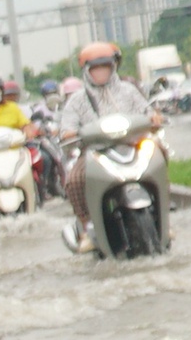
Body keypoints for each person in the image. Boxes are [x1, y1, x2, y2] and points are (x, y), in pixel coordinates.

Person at [53, 42, 163, 242]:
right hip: (94, 153)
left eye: (105, 67)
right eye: (96, 68)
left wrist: (154, 117)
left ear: (113, 67)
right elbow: (67, 129)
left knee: (159, 154)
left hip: (133, 146)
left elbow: (146, 111)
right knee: (74, 180)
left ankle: (164, 208)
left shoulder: (128, 90)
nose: (101, 72)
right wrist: (70, 134)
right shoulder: (77, 100)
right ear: (87, 71)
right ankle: (86, 226)